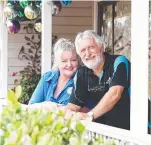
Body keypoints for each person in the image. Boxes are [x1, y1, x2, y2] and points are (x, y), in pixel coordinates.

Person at [67, 30, 131, 130]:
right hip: (104, 133)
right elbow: (73, 105)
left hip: (134, 131)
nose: (87, 54)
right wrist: (69, 114)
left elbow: (114, 95)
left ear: (101, 47)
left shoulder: (119, 62)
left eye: (91, 47)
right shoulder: (81, 74)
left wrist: (89, 116)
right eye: (83, 50)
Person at [29, 38, 79, 105]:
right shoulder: (47, 77)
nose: (69, 64)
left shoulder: (80, 81)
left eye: (73, 60)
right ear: (57, 62)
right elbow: (32, 105)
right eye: (64, 61)